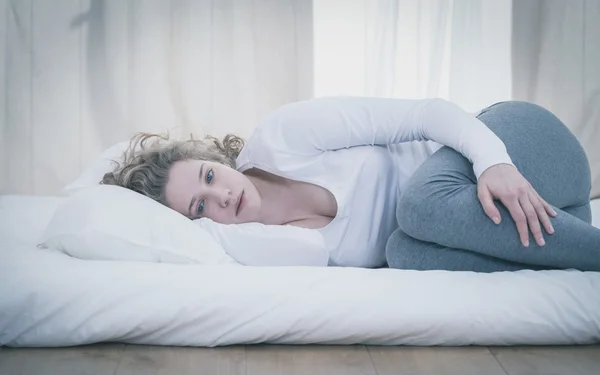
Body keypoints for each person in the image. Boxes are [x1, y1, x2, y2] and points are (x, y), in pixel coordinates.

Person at [102, 97, 600, 272]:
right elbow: (307, 257)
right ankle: (576, 240)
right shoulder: (257, 246)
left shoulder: (285, 136)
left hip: (515, 145)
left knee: (417, 208)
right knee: (405, 254)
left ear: (214, 158)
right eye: (199, 208)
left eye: (209, 176)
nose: (221, 196)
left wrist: (494, 163)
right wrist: (202, 230)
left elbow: (427, 114)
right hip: (550, 206)